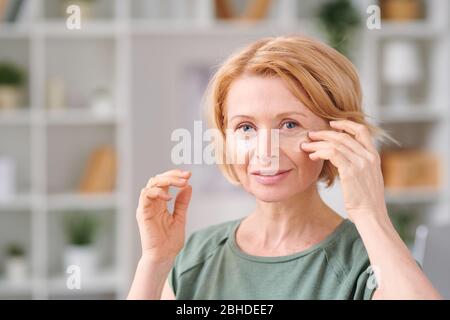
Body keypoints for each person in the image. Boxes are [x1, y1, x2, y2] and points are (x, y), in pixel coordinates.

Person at [127, 35, 441, 300]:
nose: (265, 151)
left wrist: (371, 214)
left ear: (339, 134)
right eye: (246, 128)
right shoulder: (196, 254)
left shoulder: (365, 261)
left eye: (289, 124)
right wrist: (155, 262)